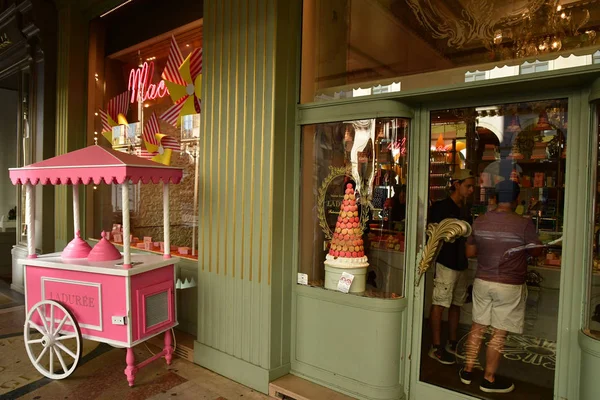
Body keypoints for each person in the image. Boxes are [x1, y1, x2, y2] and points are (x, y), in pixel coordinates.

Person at [460, 180, 542, 394]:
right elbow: (536, 252)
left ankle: (468, 371)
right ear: (516, 200)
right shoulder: (524, 224)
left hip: (482, 281)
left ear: (494, 198)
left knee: (478, 326)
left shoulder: (480, 220)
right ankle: (488, 379)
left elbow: (470, 253)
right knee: (498, 333)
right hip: (509, 285)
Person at [427, 169, 475, 364]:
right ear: (456, 184)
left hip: (462, 262)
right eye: (468, 186)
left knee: (456, 304)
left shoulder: (465, 209)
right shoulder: (441, 207)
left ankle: (452, 342)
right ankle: (436, 346)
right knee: (440, 303)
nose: (471, 190)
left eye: (472, 186)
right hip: (446, 262)